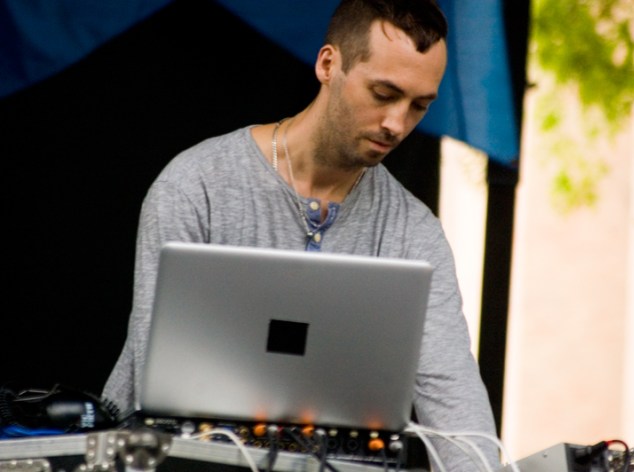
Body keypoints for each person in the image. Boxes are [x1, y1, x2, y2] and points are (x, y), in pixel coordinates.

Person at [103, 0, 500, 469]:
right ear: (328, 64)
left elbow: (456, 406)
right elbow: (159, 378)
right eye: (383, 94)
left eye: (419, 106)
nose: (397, 123)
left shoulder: (415, 232)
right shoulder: (196, 185)